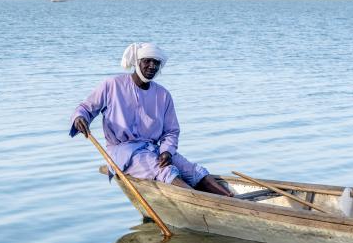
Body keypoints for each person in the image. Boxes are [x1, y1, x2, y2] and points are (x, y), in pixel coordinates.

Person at [70, 42, 232, 196]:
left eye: (156, 63)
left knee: (195, 171)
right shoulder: (112, 85)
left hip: (154, 149)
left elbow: (171, 131)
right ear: (137, 62)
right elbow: (86, 108)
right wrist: (80, 118)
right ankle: (198, 201)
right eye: (147, 61)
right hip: (123, 152)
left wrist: (167, 151)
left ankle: (231, 199)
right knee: (166, 172)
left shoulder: (163, 95)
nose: (152, 66)